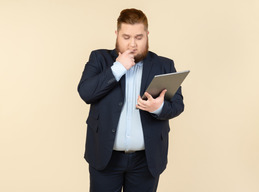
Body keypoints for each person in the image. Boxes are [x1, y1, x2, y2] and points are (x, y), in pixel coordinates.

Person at [78, 8, 184, 192]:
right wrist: (118, 68)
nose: (132, 44)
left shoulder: (164, 64)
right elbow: (86, 93)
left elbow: (177, 105)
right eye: (126, 37)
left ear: (147, 35)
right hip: (105, 158)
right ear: (117, 34)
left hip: (146, 160)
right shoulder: (99, 58)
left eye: (139, 37)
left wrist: (158, 108)